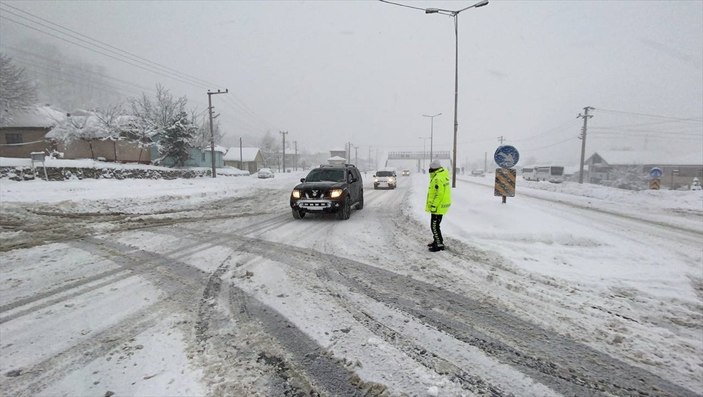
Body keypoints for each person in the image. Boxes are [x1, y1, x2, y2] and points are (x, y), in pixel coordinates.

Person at [425, 160, 451, 252]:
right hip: (441, 205)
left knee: (434, 226)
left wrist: (433, 206)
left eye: (430, 168)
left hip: (437, 207)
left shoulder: (437, 178)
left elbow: (438, 194)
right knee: (435, 225)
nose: (429, 170)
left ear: (433, 168)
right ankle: (437, 241)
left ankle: (439, 244)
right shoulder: (442, 175)